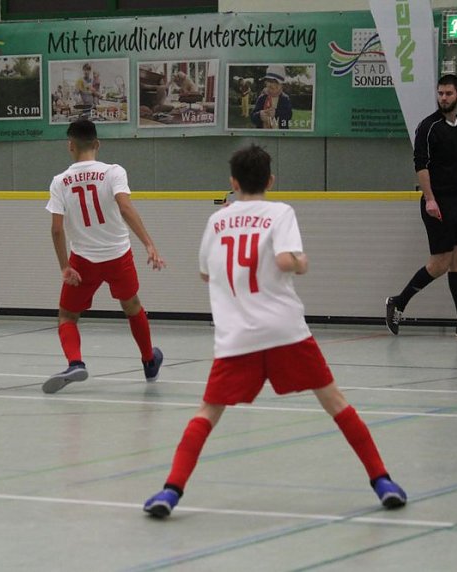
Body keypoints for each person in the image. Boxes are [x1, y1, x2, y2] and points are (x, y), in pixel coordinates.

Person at [143, 144, 406, 518]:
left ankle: (171, 490)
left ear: (232, 182)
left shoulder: (218, 220)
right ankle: (382, 481)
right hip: (285, 331)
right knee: (334, 402)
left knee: (208, 412)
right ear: (270, 180)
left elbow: (205, 272)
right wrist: (300, 261)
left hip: (237, 337)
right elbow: (286, 259)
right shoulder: (281, 212)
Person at [43, 119, 166, 394]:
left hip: (83, 260)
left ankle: (75, 362)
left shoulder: (59, 181)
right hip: (118, 256)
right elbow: (125, 207)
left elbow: (56, 230)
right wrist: (149, 244)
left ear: (70, 146)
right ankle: (148, 361)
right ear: (97, 144)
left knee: (67, 316)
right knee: (132, 306)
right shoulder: (113, 172)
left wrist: (65, 266)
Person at [385, 75, 457, 338]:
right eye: (440, 93)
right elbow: (420, 166)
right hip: (439, 201)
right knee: (440, 262)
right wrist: (430, 198)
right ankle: (397, 302)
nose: (443, 98)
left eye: (448, 93)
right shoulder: (428, 127)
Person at [251, 65, 293, 130]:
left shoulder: (285, 98)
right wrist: (259, 115)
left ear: (281, 85)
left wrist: (276, 113)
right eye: (269, 81)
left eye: (275, 82)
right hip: (263, 134)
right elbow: (253, 117)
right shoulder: (262, 98)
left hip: (279, 134)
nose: (271, 85)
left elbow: (288, 115)